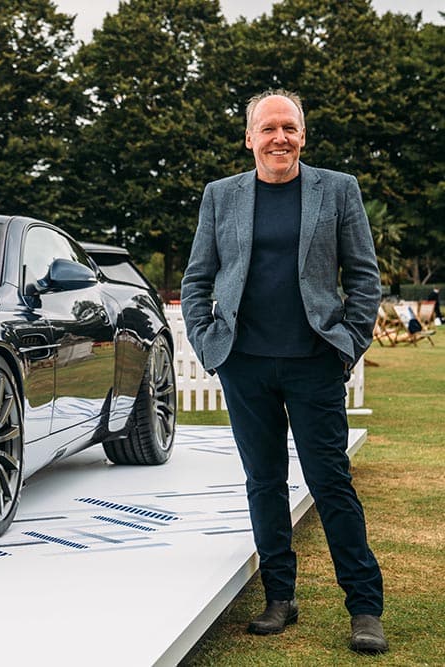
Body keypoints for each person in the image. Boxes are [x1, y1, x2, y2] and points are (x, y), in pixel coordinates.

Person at [181, 90, 387, 654]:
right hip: (244, 364)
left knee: (330, 483)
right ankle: (280, 597)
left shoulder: (338, 189)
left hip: (314, 362)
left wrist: (347, 343)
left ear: (303, 134)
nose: (280, 138)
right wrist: (206, 340)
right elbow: (198, 278)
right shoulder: (220, 196)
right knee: (264, 483)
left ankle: (364, 607)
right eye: (268, 128)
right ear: (249, 137)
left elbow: (365, 278)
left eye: (289, 127)